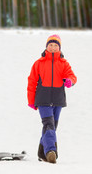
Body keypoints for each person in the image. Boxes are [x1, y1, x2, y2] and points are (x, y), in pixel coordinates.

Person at [27, 34, 77, 164]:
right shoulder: (38, 63)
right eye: (51, 45)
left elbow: (72, 76)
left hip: (58, 99)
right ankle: (51, 152)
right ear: (46, 46)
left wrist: (69, 81)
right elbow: (32, 82)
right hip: (43, 99)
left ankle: (41, 153)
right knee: (48, 124)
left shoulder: (64, 63)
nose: (53, 47)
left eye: (56, 45)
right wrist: (31, 100)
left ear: (59, 47)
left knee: (52, 127)